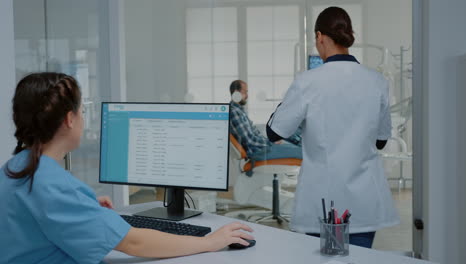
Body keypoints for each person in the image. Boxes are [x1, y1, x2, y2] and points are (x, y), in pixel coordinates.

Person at [0, 72, 254, 263]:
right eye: (81, 111)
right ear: (69, 119)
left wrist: (84, 207)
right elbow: (134, 243)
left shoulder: (14, 168)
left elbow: (33, 220)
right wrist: (210, 242)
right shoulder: (52, 185)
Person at [266, 7, 399, 248]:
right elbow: (380, 140)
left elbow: (274, 132)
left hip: (325, 200)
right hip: (364, 200)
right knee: (358, 258)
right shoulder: (377, 81)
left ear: (319, 36)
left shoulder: (308, 82)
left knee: (330, 258)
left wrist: (288, 102)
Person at [229, 80, 302, 169]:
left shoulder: (239, 110)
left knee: (292, 143)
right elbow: (249, 141)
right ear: (236, 93)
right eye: (245, 92)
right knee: (301, 152)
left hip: (262, 148)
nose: (247, 96)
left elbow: (253, 136)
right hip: (259, 152)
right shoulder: (234, 112)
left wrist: (271, 141)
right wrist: (270, 143)